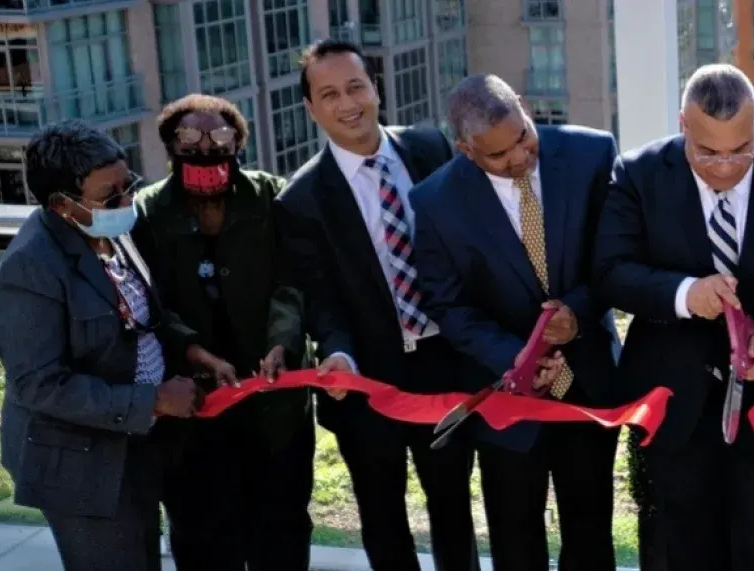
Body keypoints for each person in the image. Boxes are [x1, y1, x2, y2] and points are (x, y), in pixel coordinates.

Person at [593, 64, 754, 570]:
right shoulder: (638, 174)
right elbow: (611, 273)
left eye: (741, 149)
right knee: (674, 549)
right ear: (683, 123)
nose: (727, 165)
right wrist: (685, 293)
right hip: (670, 403)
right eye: (709, 152)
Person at [273, 38, 480, 571]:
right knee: (383, 516)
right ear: (311, 108)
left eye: (356, 86)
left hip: (444, 364)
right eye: (330, 93)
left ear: (376, 90)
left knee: (454, 507)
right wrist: (338, 355)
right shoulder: (300, 200)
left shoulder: (431, 148)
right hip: (366, 381)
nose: (348, 104)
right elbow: (320, 300)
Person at [409, 75, 621, 571]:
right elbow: (449, 307)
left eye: (523, 137)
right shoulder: (434, 202)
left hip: (589, 382)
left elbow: (617, 259)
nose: (521, 158)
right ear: (465, 150)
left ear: (524, 109)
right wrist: (519, 360)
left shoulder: (593, 154)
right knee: (515, 538)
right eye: (499, 157)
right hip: (505, 398)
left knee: (591, 534)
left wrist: (579, 314)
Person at [0, 120, 201, 570]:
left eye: (129, 186)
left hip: (134, 440)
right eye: (110, 196)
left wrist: (194, 351)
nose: (127, 202)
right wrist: (155, 402)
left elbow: (145, 317)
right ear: (63, 205)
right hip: (82, 465)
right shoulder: (29, 270)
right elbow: (40, 386)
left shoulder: (110, 231)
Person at [129, 94, 314, 571]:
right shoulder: (146, 211)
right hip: (192, 404)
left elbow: (292, 281)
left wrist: (281, 341)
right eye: (190, 140)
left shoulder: (271, 195)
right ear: (171, 148)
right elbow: (148, 301)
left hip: (273, 396)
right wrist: (192, 349)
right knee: (202, 528)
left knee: (281, 524)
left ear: (239, 144)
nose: (207, 151)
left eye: (221, 139)